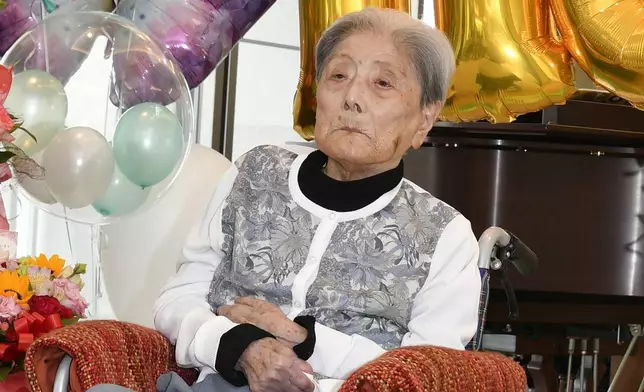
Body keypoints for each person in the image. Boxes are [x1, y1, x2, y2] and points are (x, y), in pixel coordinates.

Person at [153, 7, 481, 392]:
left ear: (424, 120)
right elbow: (177, 299)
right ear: (317, 94)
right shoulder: (256, 172)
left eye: (383, 83)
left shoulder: (445, 234)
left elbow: (429, 374)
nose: (352, 98)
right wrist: (237, 346)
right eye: (339, 76)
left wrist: (306, 340)